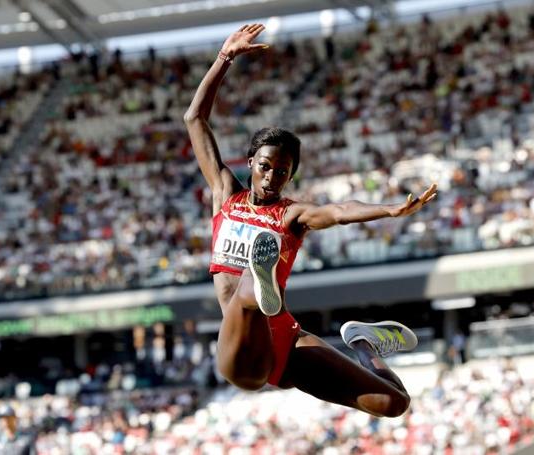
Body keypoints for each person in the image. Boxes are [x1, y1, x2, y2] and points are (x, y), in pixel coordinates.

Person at [184, 24, 438, 418]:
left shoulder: (292, 215)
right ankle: (258, 283)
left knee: (394, 403)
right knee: (247, 326)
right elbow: (194, 118)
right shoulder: (225, 194)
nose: (271, 177)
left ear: (290, 176)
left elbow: (339, 211)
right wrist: (225, 57)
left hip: (286, 339)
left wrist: (386, 210)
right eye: (265, 167)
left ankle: (362, 342)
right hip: (243, 348)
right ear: (251, 163)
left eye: (282, 172)